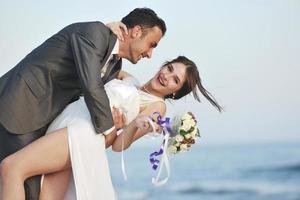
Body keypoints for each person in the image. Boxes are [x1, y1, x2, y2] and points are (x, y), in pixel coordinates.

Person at [0, 56, 222, 199]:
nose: (166, 76)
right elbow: (101, 63)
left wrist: (131, 125)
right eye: (169, 68)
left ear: (175, 91)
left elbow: (118, 145)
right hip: (65, 124)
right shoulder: (129, 79)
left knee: (11, 167)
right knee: (46, 197)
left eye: (175, 80)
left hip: (80, 136)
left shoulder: (157, 107)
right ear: (163, 64)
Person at [0, 8, 166, 199]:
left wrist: (117, 121)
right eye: (151, 44)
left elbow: (89, 95)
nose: (150, 54)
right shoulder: (95, 33)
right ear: (136, 32)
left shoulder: (114, 65)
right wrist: (110, 129)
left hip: (43, 120)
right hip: (19, 105)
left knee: (28, 188)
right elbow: (91, 86)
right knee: (15, 173)